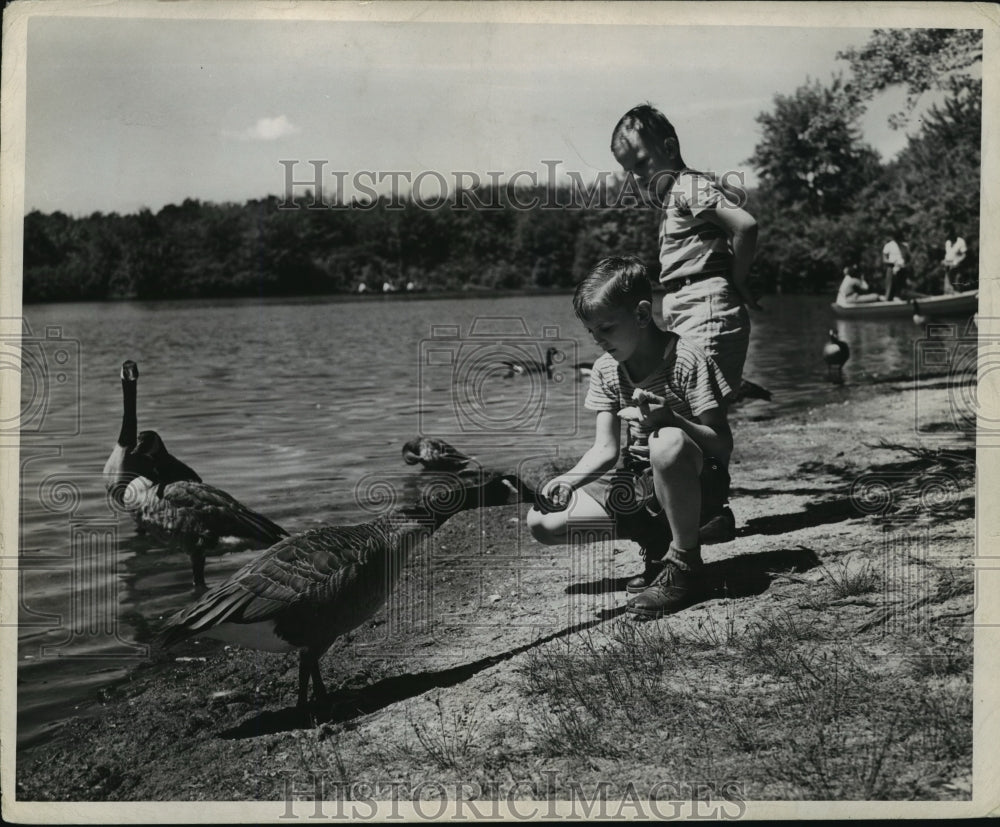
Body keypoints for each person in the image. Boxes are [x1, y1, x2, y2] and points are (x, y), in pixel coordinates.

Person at [526, 256, 734, 618]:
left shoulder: (687, 359)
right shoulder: (607, 370)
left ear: (640, 315)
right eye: (592, 332)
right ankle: (658, 547)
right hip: (640, 486)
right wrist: (567, 482)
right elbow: (605, 450)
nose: (598, 341)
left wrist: (671, 419)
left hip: (699, 482)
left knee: (666, 441)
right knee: (542, 522)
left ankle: (686, 566)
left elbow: (721, 445)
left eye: (606, 328)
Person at [610, 103, 757, 538]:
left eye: (642, 165)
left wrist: (740, 282)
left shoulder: (688, 186)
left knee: (698, 406)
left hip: (707, 303)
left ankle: (711, 507)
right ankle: (707, 506)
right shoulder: (678, 194)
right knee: (691, 406)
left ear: (670, 148)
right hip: (690, 302)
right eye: (629, 173)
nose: (637, 180)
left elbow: (745, 226)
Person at [942, 226, 968, 294]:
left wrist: (956, 262)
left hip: (957, 267)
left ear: (952, 233)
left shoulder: (960, 241)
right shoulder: (947, 242)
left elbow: (964, 255)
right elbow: (948, 254)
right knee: (948, 288)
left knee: (957, 286)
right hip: (948, 267)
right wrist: (944, 261)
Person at [881, 234, 907, 300]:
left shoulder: (904, 246)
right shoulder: (889, 245)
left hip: (901, 268)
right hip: (891, 267)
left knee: (901, 287)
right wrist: (893, 262)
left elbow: (907, 258)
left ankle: (898, 298)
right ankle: (887, 300)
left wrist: (904, 264)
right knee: (890, 286)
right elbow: (884, 259)